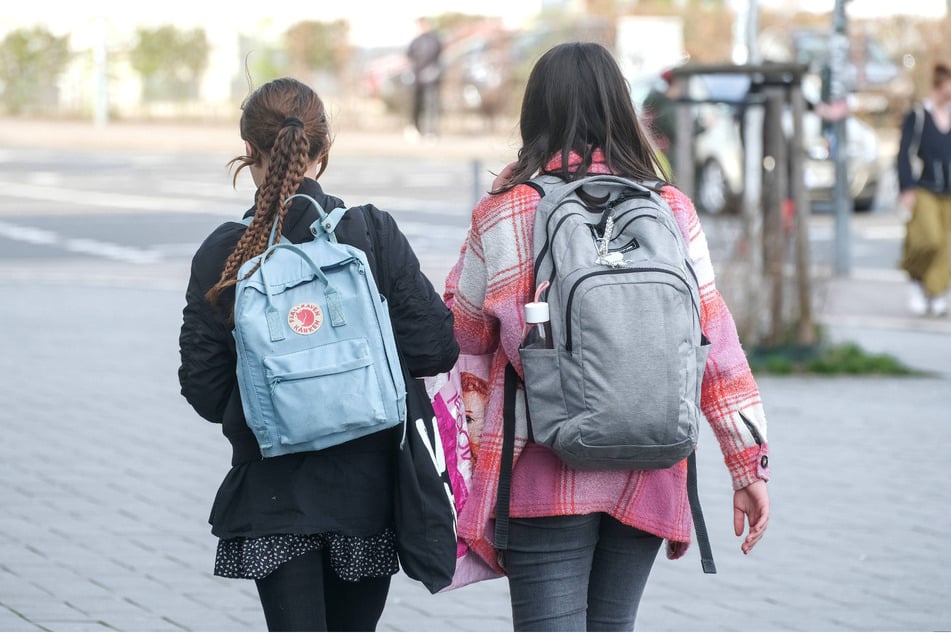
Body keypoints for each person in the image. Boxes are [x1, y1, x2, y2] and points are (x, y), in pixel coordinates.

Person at [444, 42, 770, 631]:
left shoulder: (507, 209)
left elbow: (463, 328)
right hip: (650, 456)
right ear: (622, 108)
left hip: (542, 461)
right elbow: (715, 345)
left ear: (534, 113)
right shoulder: (670, 208)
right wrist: (748, 466)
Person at [177, 76, 458, 631]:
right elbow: (434, 348)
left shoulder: (224, 255)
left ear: (249, 152)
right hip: (369, 493)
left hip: (272, 492)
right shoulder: (370, 233)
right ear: (324, 150)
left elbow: (204, 388)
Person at [897, 62, 951, 317]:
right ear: (937, 87)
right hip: (925, 187)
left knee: (945, 246)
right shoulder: (919, 115)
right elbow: (904, 152)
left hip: (949, 191)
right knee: (928, 238)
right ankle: (916, 278)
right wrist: (906, 187)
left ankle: (936, 290)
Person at [406, 16, 443, 138]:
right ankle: (415, 129)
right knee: (416, 105)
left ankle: (431, 131)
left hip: (431, 78)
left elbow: (438, 56)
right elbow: (409, 57)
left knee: (431, 105)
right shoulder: (415, 41)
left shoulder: (435, 40)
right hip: (417, 78)